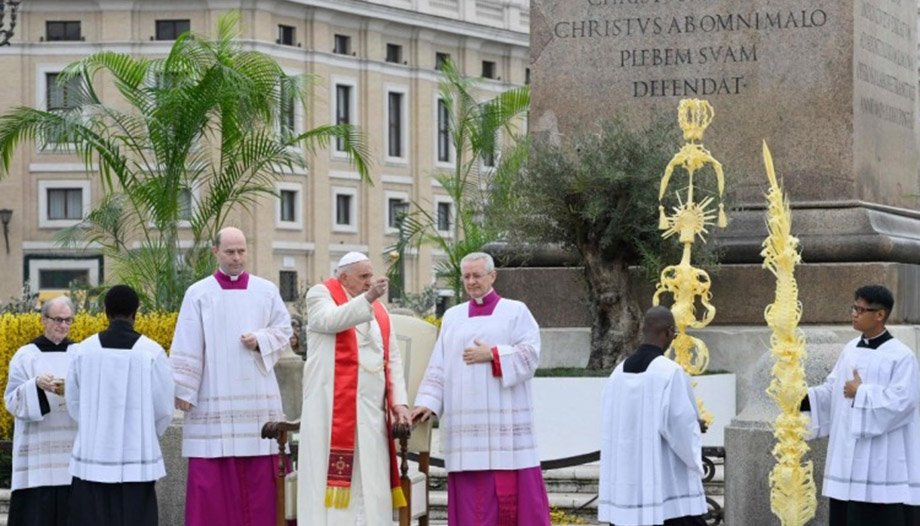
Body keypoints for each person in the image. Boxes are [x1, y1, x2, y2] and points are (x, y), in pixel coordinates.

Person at [412, 251, 551, 525]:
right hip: (465, 427)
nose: (471, 282)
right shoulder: (452, 316)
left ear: (492, 276)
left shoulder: (515, 311)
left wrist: (494, 354)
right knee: (470, 497)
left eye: (477, 275)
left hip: (503, 424)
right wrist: (428, 402)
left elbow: (531, 354)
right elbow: (439, 364)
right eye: (466, 276)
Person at [170, 227, 293, 526]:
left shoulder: (266, 290)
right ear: (216, 252)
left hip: (257, 395)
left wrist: (261, 339)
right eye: (230, 252)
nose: (237, 258)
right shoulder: (199, 293)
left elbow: (284, 330)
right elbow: (187, 340)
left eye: (241, 251)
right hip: (213, 393)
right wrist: (184, 389)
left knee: (262, 464)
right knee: (213, 472)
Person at [298, 251, 411, 524]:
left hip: (371, 412)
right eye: (363, 276)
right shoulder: (320, 295)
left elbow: (392, 358)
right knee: (328, 479)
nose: (369, 281)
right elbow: (330, 321)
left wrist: (400, 403)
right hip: (329, 409)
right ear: (343, 277)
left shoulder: (379, 310)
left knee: (371, 478)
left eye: (371, 275)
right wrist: (368, 298)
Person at [803, 285, 920, 525]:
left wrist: (861, 393)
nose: (854, 314)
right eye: (854, 308)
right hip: (848, 456)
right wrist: (801, 397)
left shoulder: (901, 356)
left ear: (880, 315)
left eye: (861, 310)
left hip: (883, 458)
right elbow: (834, 390)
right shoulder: (849, 349)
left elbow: (904, 402)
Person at [65, 285, 174, 526]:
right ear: (136, 313)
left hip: (92, 455)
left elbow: (73, 402)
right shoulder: (152, 352)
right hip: (137, 458)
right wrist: (146, 435)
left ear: (106, 312)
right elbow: (164, 408)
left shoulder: (83, 351)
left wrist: (92, 428)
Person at [597, 306, 707, 526]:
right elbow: (679, 427)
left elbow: (611, 423)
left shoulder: (617, 373)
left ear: (643, 329)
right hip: (663, 482)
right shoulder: (670, 372)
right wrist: (695, 430)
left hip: (627, 481)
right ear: (669, 332)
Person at [4, 296, 78, 526]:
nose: (63, 325)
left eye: (68, 320)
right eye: (58, 319)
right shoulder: (26, 355)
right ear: (44, 320)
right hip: (37, 453)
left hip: (70, 451)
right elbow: (11, 400)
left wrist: (73, 389)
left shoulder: (79, 354)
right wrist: (35, 386)